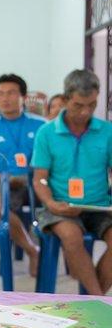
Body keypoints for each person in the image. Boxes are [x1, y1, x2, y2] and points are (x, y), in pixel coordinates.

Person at [32, 69, 112, 295]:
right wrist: (51, 203)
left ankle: (93, 300)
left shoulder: (107, 131)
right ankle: (98, 300)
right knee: (71, 236)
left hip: (99, 206)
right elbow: (40, 179)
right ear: (66, 99)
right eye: (78, 105)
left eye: (92, 105)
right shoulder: (46, 133)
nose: (86, 112)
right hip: (61, 206)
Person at [0, 74, 45, 276]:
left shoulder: (41, 125)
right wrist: (0, 178)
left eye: (11, 93)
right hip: (3, 181)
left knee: (58, 200)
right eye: (0, 94)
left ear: (23, 96)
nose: (5, 98)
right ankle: (32, 249)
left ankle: (52, 249)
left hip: (37, 180)